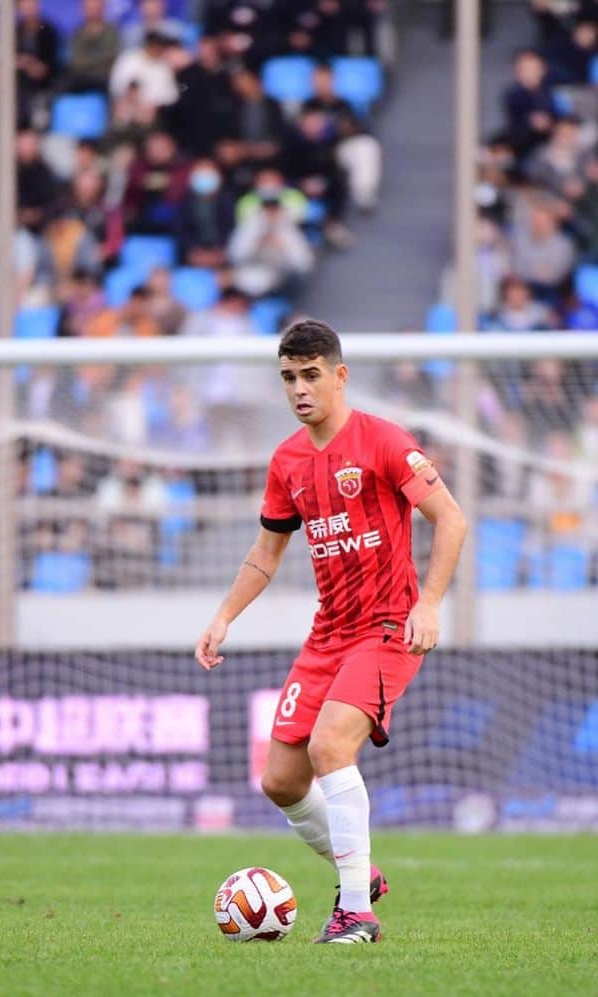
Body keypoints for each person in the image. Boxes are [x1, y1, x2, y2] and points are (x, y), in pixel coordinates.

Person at [194, 319, 467, 945]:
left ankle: (355, 915)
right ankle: (358, 872)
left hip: (388, 627)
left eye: (311, 375)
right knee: (281, 781)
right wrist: (223, 616)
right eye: (289, 377)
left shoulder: (386, 442)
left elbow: (450, 520)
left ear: (339, 376)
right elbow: (266, 553)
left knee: (329, 749)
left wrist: (428, 604)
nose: (299, 389)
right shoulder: (287, 460)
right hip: (329, 634)